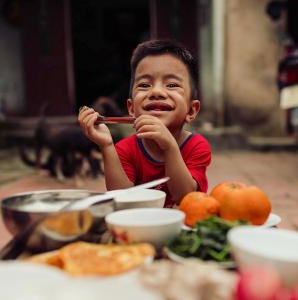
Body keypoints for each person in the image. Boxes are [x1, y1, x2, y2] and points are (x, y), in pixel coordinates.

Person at [78, 39, 211, 207]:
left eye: (171, 84)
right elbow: (122, 201)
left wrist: (169, 146)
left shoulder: (197, 146)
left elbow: (185, 198)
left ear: (191, 111)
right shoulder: (125, 149)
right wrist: (106, 146)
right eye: (144, 85)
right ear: (131, 108)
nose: (156, 92)